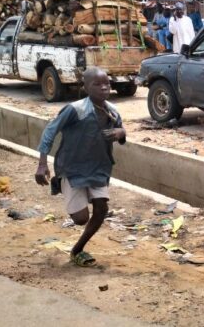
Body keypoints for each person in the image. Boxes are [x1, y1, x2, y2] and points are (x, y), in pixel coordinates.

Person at [35, 68, 126, 267]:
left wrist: (121, 132)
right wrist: (42, 164)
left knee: (102, 208)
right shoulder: (75, 110)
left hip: (99, 167)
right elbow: (50, 131)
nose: (104, 88)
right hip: (73, 167)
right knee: (81, 219)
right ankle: (61, 184)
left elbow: (121, 133)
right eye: (97, 84)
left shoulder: (112, 111)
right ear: (85, 87)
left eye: (107, 84)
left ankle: (77, 249)